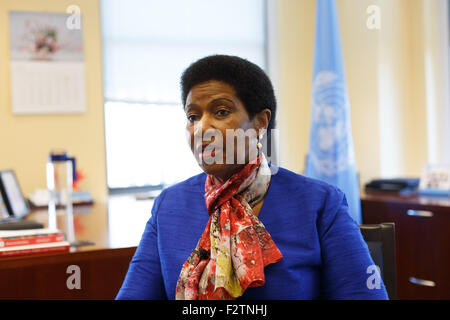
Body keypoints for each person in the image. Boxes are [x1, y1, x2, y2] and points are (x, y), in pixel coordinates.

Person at [116, 55, 389, 300]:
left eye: (221, 112)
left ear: (260, 122)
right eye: (192, 116)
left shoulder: (319, 203)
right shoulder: (169, 206)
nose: (202, 128)